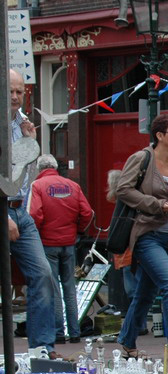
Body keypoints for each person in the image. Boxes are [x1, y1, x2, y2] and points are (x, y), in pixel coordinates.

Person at [115, 114, 168, 361]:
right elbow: (123, 189)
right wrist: (159, 204)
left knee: (145, 292)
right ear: (160, 135)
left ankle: (128, 342)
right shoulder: (142, 159)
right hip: (145, 235)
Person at [7, 69, 59, 358]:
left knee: (43, 274)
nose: (15, 97)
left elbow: (23, 173)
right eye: (10, 91)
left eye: (19, 92)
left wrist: (31, 142)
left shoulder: (23, 124)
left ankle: (41, 349)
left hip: (20, 212)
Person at [28, 153, 93, 344]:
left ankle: (58, 332)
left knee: (53, 288)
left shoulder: (37, 186)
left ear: (40, 169)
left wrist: (36, 237)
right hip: (69, 243)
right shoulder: (73, 186)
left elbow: (35, 214)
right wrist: (78, 231)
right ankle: (75, 332)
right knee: (70, 287)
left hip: (48, 243)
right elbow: (87, 212)